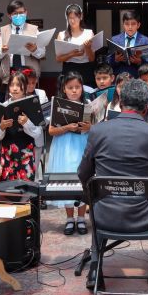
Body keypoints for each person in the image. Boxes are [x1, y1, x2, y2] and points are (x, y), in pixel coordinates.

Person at [78, 78, 148, 290]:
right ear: (146, 108)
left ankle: (95, 268)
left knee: (98, 199)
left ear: (120, 101)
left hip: (104, 216)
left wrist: (95, 195)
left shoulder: (98, 131)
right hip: (142, 217)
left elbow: (84, 174)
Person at [47, 72, 93, 235]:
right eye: (70, 88)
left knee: (82, 178)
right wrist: (67, 127)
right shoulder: (58, 105)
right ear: (64, 89)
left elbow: (95, 125)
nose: (74, 91)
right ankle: (69, 218)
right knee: (66, 177)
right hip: (64, 145)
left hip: (83, 145)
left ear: (82, 88)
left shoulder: (88, 103)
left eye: (77, 87)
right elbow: (51, 130)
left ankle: (81, 218)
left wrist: (89, 127)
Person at [0, 72, 43, 182]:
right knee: (6, 188)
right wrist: (2, 127)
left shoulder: (32, 104)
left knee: (25, 189)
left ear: (25, 86)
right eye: (12, 85)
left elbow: (37, 133)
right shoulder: (4, 106)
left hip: (25, 152)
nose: (15, 88)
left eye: (19, 85)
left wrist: (27, 123)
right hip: (7, 152)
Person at [0, 0, 47, 89]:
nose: (19, 15)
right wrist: (3, 50)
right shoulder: (4, 30)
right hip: (10, 73)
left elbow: (42, 54)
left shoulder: (34, 30)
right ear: (9, 15)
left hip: (29, 74)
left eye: (21, 12)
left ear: (26, 12)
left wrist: (35, 50)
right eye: (15, 13)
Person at [55, 3, 96, 86]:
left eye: (75, 17)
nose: (72, 21)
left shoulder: (89, 33)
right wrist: (72, 54)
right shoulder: (62, 35)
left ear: (81, 17)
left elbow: (92, 58)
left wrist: (87, 48)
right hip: (69, 69)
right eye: (70, 18)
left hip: (86, 69)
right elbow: (58, 59)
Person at [106, 11, 148, 78]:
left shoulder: (145, 40)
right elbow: (108, 61)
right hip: (119, 77)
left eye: (133, 24)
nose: (130, 27)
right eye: (127, 24)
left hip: (137, 77)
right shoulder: (115, 39)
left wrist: (139, 62)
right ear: (123, 25)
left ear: (138, 25)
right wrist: (116, 60)